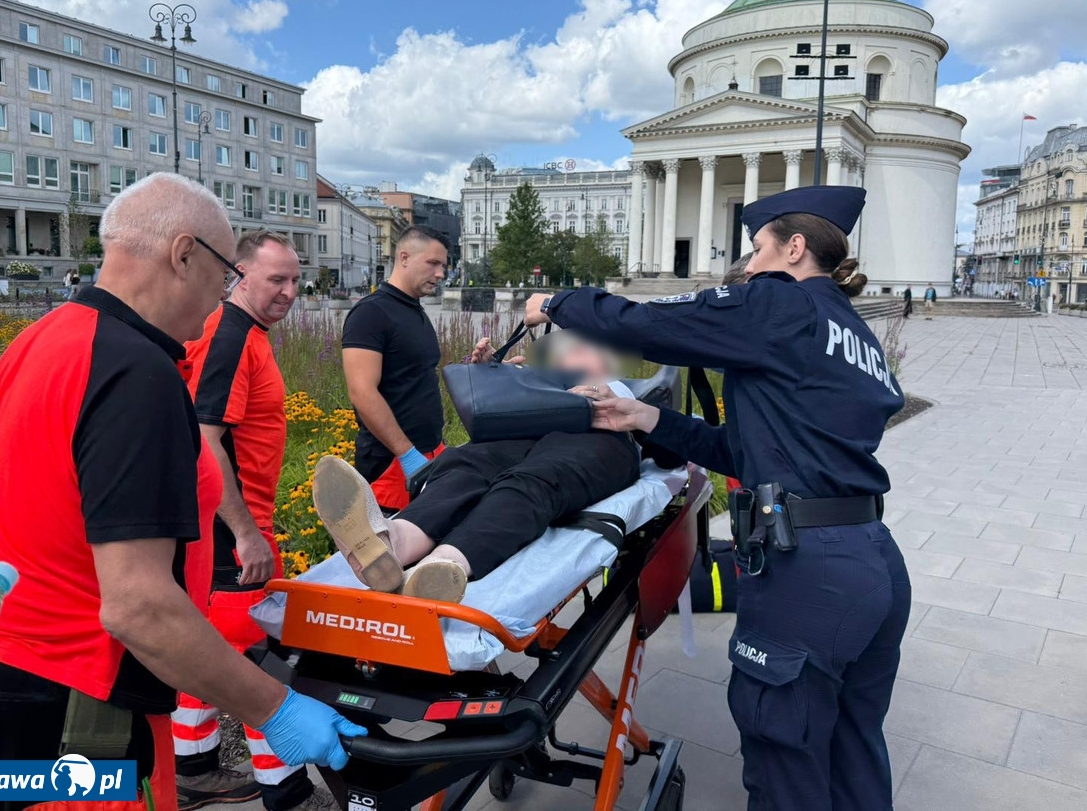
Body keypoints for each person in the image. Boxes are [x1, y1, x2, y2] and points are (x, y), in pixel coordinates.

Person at [0, 174, 364, 811]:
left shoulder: (40, 340)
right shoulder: (134, 372)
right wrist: (275, 707)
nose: (222, 296)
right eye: (227, 273)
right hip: (79, 711)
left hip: (1, 676)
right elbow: (137, 605)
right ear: (183, 253)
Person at [523, 185, 910, 811]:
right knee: (852, 750)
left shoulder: (780, 305)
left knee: (785, 759)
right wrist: (647, 421)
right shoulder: (851, 332)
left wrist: (558, 303)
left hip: (807, 574)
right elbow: (760, 452)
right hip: (870, 561)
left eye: (757, 249)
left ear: (795, 247)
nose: (749, 265)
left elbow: (648, 324)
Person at [172, 231, 328, 811]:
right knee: (254, 659)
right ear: (239, 274)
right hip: (225, 528)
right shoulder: (232, 335)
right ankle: (285, 792)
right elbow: (204, 438)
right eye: (276, 280)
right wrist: (244, 532)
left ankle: (193, 767)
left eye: (295, 279)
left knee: (208, 648)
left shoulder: (244, 333)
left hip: (221, 521)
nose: (290, 291)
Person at [315, 332, 640, 603]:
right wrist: (494, 374)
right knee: (465, 466)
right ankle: (393, 543)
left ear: (607, 363)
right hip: (530, 426)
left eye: (584, 349)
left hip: (601, 435)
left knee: (533, 483)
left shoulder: (630, 393)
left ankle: (441, 566)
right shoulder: (538, 384)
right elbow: (485, 412)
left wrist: (620, 406)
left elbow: (668, 449)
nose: (571, 354)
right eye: (567, 351)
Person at [342, 226, 449, 512]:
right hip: (392, 463)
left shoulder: (413, 309)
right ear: (404, 257)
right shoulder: (372, 312)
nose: (440, 274)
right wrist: (406, 454)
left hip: (429, 451)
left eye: (443, 266)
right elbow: (361, 391)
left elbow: (416, 376)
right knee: (390, 550)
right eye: (433, 263)